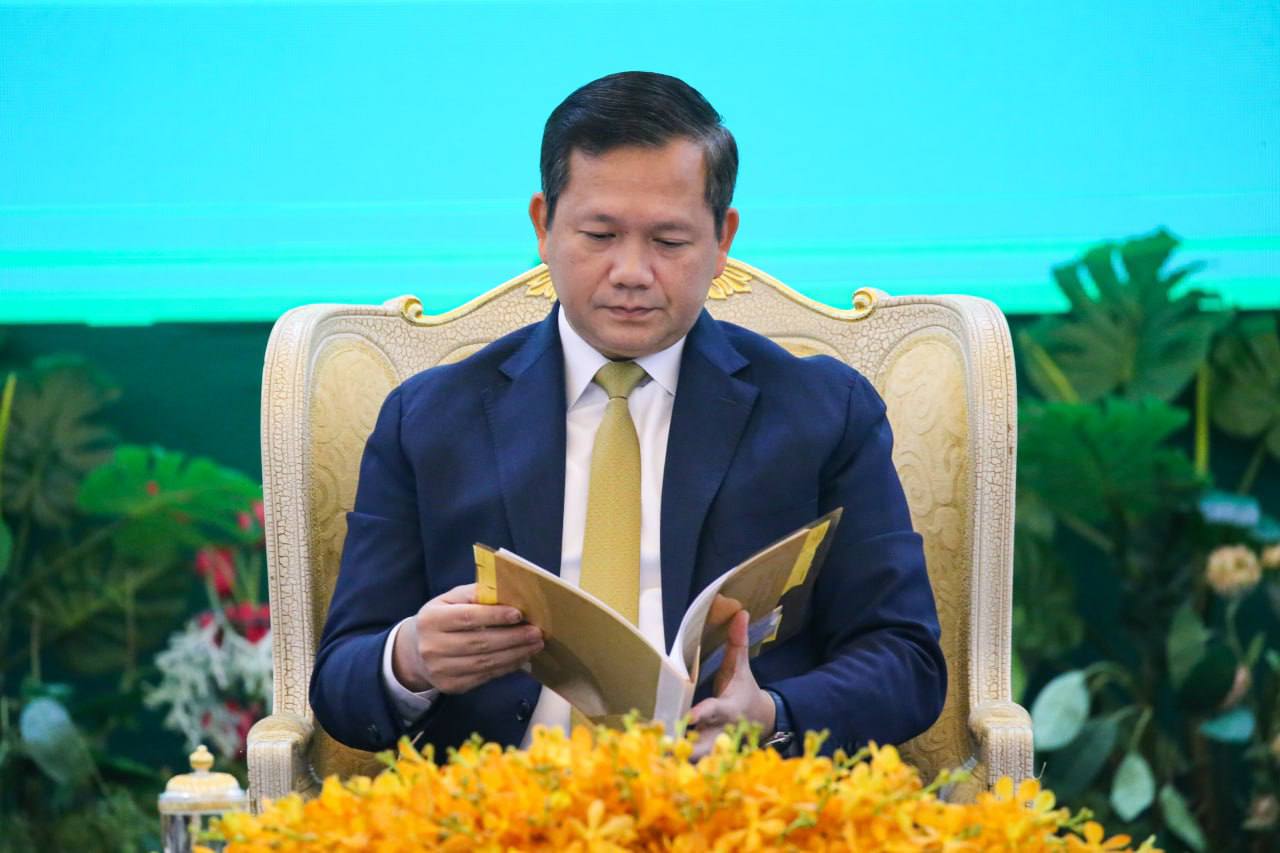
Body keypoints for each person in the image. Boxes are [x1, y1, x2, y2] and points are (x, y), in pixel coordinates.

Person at [310, 71, 946, 759]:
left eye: (669, 241)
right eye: (600, 233)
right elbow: (342, 682)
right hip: (501, 799)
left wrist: (771, 714)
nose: (632, 271)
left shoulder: (821, 413)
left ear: (722, 239)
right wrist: (410, 657)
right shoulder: (430, 419)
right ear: (543, 225)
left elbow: (905, 660)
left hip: (731, 798)